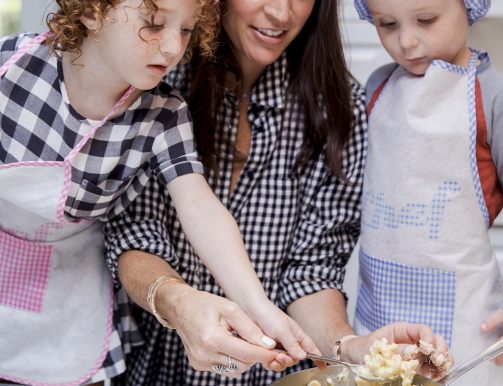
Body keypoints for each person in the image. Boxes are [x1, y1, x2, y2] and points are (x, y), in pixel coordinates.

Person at [104, 0, 453, 385]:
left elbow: (311, 271)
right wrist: (180, 304)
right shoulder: (158, 78)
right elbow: (133, 235)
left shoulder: (337, 110)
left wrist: (350, 347)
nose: (282, 13)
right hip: (149, 368)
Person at [0, 0, 319, 384]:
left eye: (185, 30)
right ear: (90, 11)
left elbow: (201, 209)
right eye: (153, 24)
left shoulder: (163, 115)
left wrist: (260, 307)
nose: (172, 48)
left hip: (69, 306)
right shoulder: (10, 67)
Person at [352, 0, 503, 385]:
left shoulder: (496, 97)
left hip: (463, 316)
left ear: (469, 7)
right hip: (379, 308)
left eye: (426, 20)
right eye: (387, 24)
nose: (407, 41)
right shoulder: (378, 87)